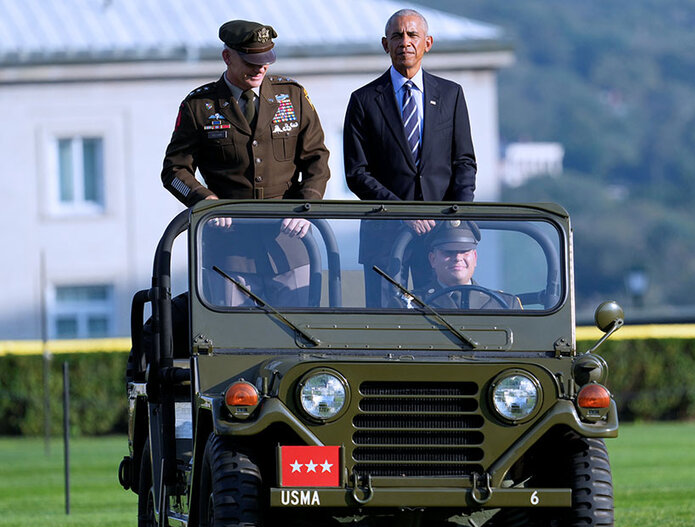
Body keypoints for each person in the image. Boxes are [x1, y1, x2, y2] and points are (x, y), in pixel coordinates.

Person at [161, 19, 331, 304]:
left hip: (289, 247)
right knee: (235, 342)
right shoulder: (200, 107)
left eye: (266, 60)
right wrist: (205, 201)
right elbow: (174, 171)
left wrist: (308, 203)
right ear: (227, 57)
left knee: (296, 341)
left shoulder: (292, 96)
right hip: (230, 250)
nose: (261, 68)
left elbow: (317, 159)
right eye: (251, 61)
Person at [343, 8, 477, 306]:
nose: (405, 42)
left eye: (412, 35)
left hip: (441, 240)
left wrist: (457, 219)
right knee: (384, 328)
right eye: (397, 36)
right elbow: (357, 173)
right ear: (385, 44)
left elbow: (464, 163)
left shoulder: (451, 94)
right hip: (384, 239)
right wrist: (402, 212)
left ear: (427, 43)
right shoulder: (363, 100)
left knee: (444, 322)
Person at [415, 220, 522, 310]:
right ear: (432, 259)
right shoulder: (413, 304)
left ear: (475, 258)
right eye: (448, 252)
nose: (457, 258)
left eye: (464, 251)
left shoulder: (506, 305)